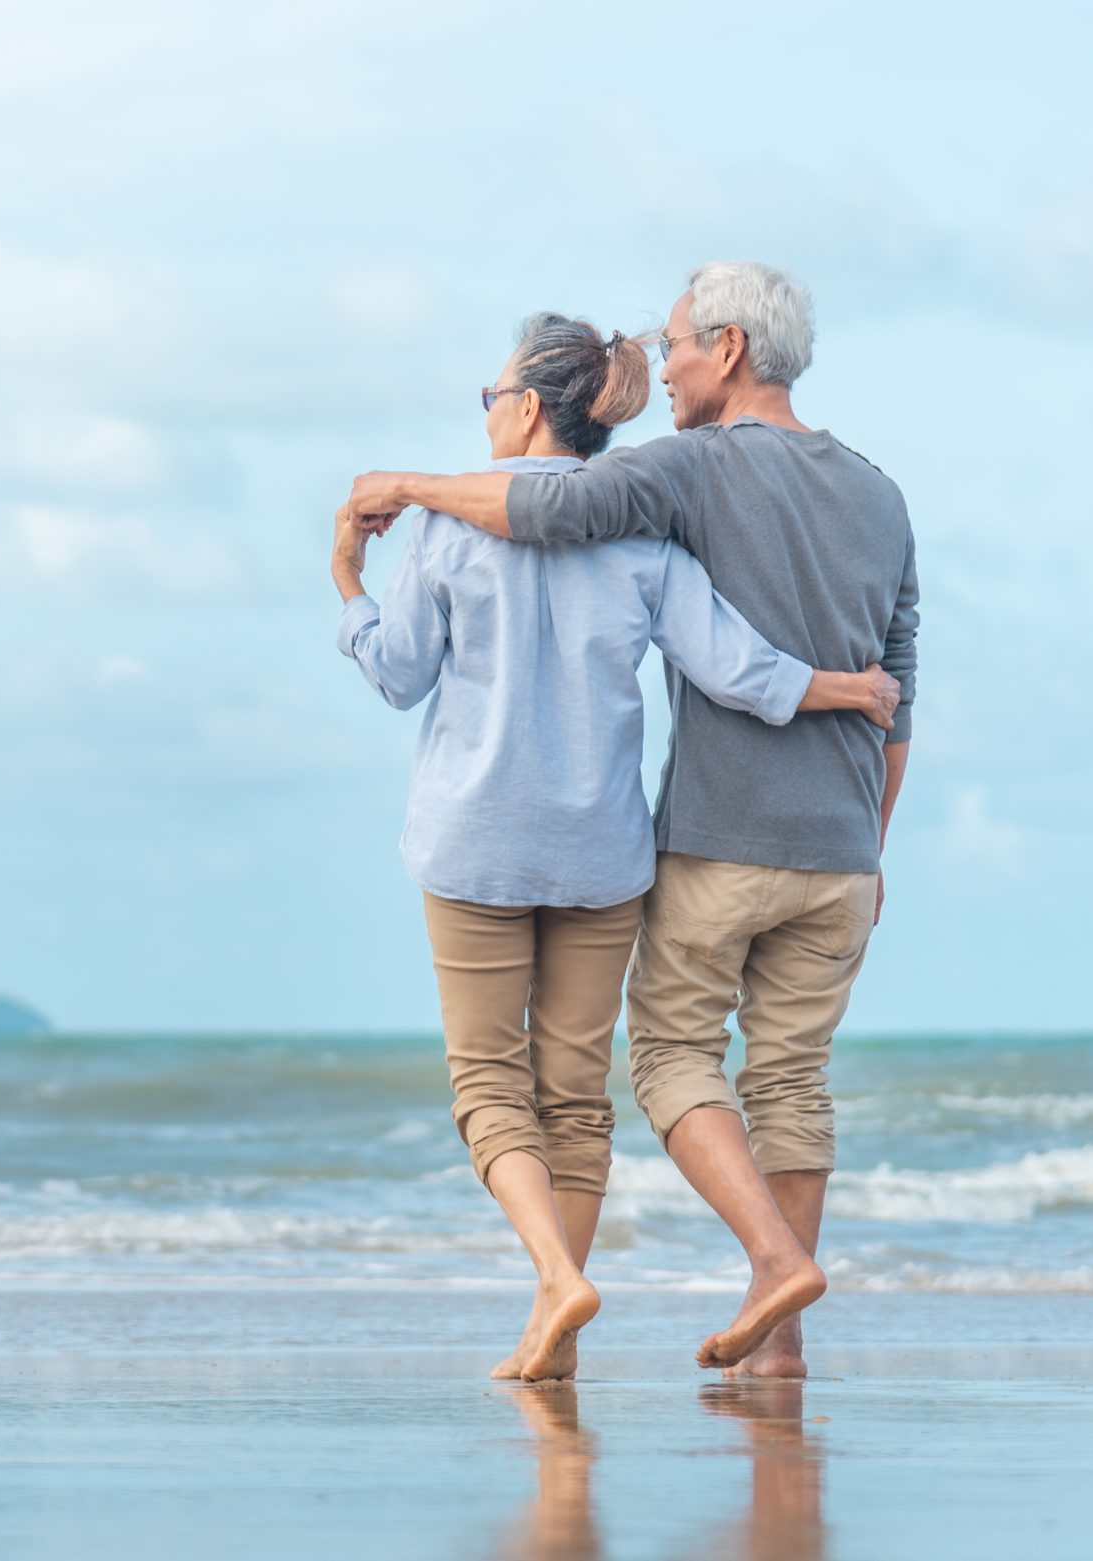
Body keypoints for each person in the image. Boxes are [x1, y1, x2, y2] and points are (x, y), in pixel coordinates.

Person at [338, 263, 920, 1379]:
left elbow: (422, 647)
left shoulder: (582, 501)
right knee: (631, 1089)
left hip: (550, 843)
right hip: (685, 853)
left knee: (540, 1075)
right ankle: (746, 1340)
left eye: (680, 346)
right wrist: (848, 724)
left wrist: (363, 559)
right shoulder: (800, 511)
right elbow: (785, 671)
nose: (670, 368)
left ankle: (581, 1283)